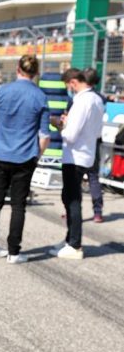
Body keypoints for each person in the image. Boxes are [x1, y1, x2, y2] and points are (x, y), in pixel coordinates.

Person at [0, 54, 50, 264]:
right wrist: (37, 154)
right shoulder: (40, 96)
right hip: (25, 156)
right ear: (36, 72)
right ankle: (14, 252)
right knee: (18, 205)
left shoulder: (2, 91)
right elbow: (45, 135)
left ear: (18, 70)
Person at [49, 68, 104, 259]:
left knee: (72, 200)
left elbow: (70, 135)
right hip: (87, 153)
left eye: (68, 86)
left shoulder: (81, 101)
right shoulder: (97, 99)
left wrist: (60, 125)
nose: (69, 89)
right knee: (70, 198)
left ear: (73, 82)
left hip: (74, 157)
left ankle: (75, 244)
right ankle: (70, 239)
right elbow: (96, 132)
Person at [82, 67, 105, 223]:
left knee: (75, 178)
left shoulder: (82, 98)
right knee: (93, 177)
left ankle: (71, 210)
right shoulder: (101, 98)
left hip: (82, 141)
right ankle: (98, 211)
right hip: (95, 140)